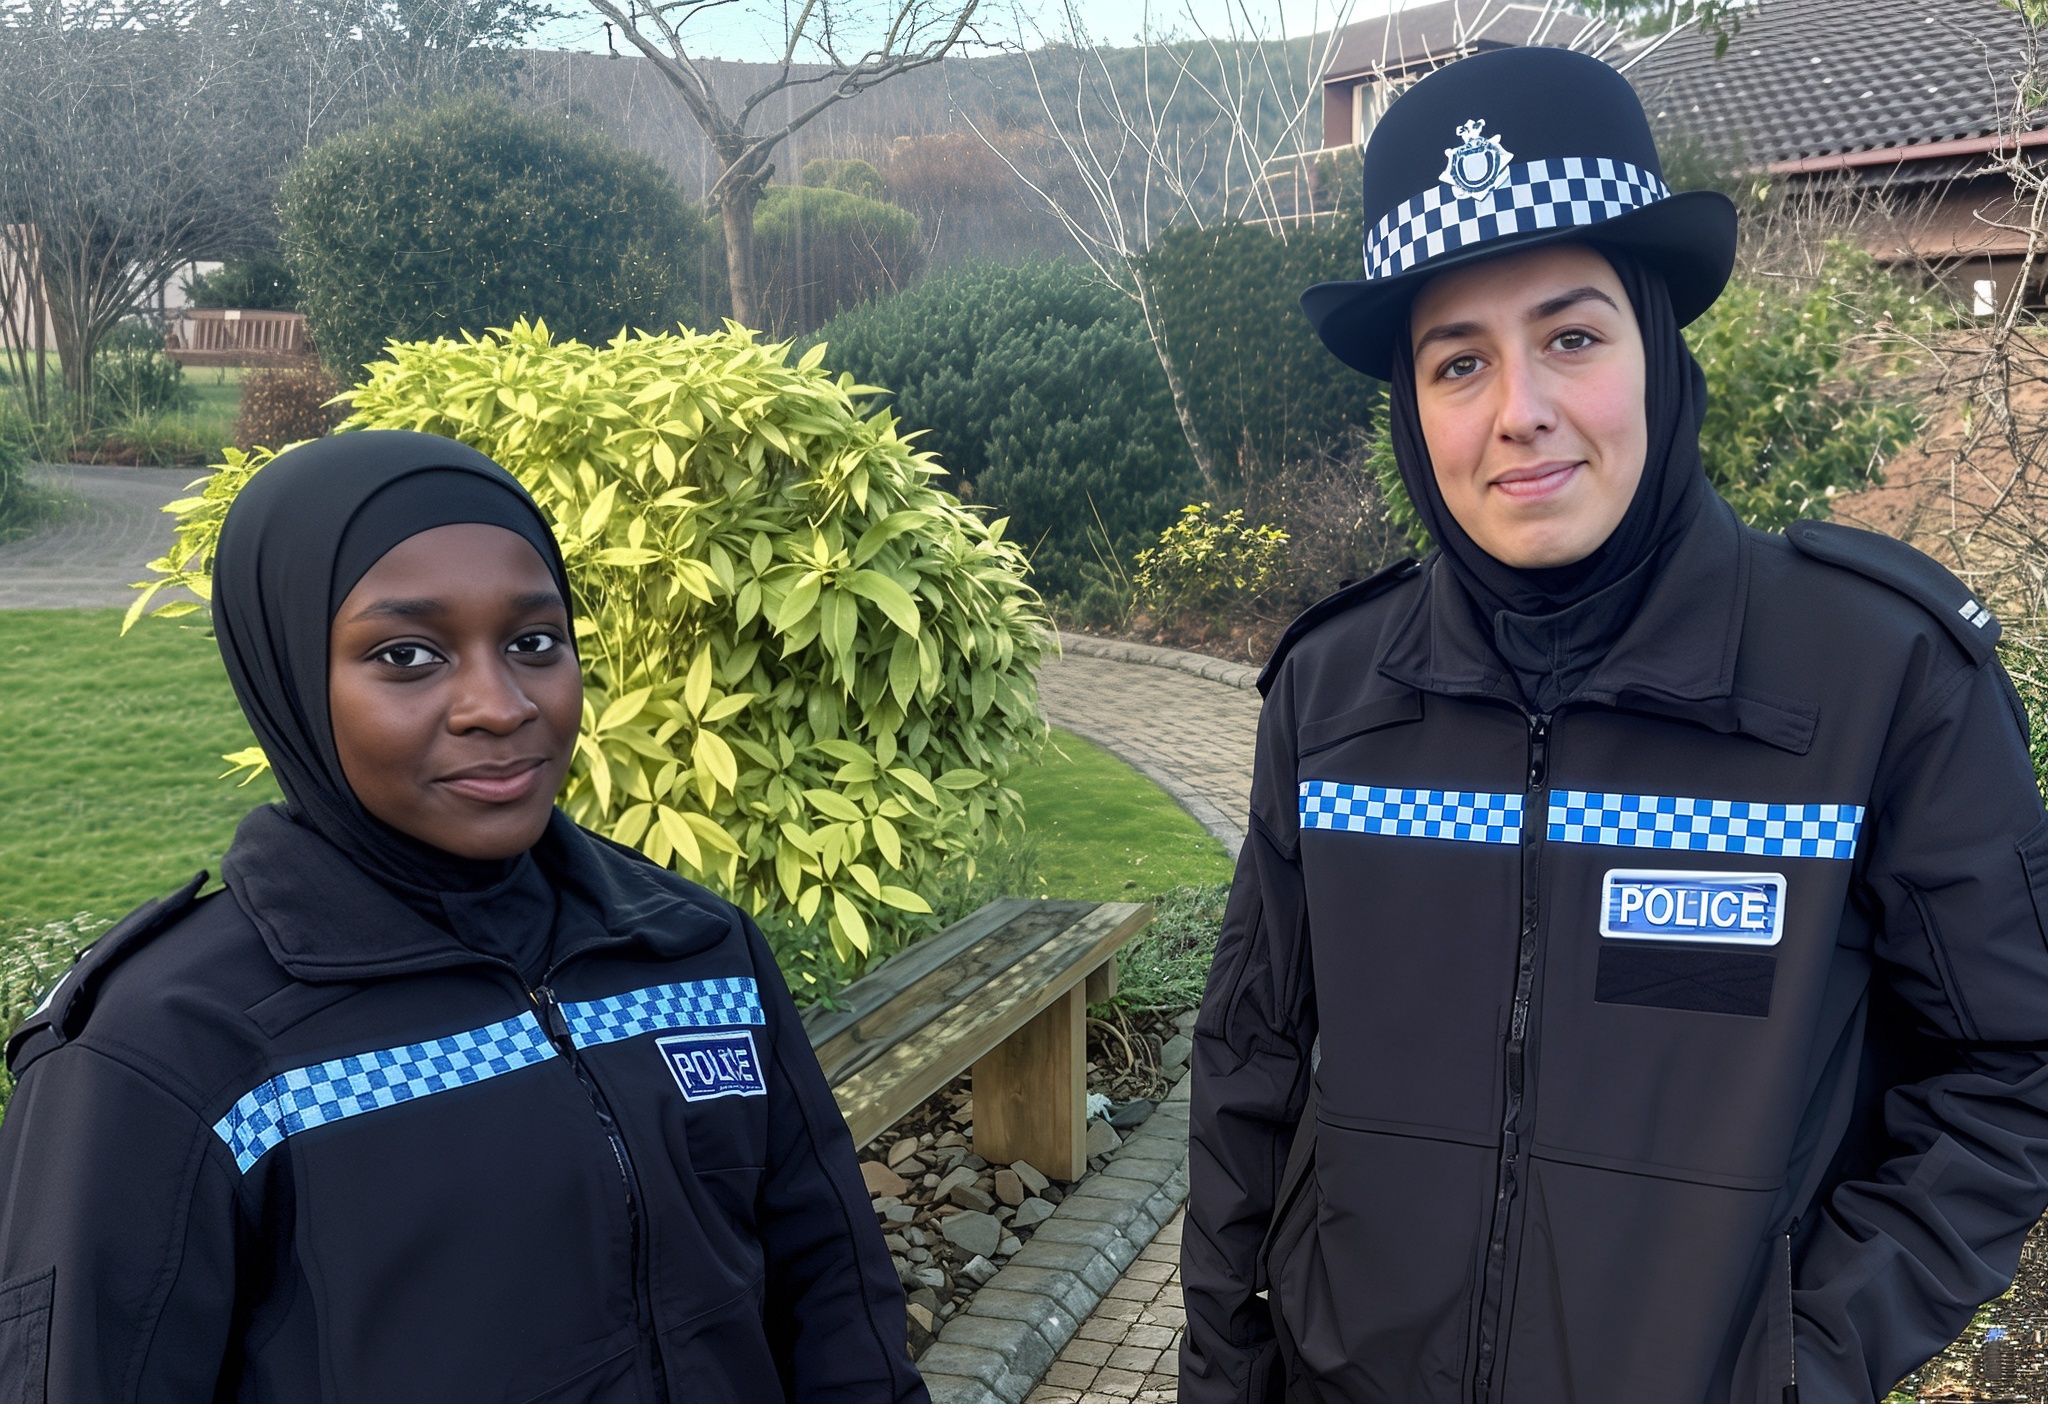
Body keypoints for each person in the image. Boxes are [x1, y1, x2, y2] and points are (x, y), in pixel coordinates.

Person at [1179, 44, 2048, 1404]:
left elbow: (2006, 1068)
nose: (1518, 413)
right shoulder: (1331, 695)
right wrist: (1224, 1375)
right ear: (1411, 406)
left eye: (1571, 339)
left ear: (1655, 348)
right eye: (1456, 362)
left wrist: (1799, 1365)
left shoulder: (1884, 682)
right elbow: (1249, 1062)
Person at [0, 432, 927, 1403]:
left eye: (533, 642)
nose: (499, 704)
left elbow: (837, 1302)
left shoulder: (693, 952)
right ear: (288, 679)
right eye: (406, 655)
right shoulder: (173, 1057)